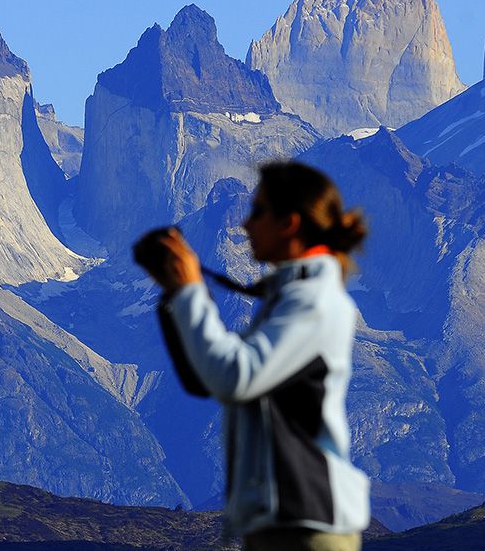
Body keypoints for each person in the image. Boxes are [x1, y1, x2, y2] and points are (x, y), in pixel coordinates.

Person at [135, 161, 370, 551]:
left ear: (290, 223)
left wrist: (191, 291)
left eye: (257, 211)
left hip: (305, 522)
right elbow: (215, 381)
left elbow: (236, 377)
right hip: (290, 519)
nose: (245, 225)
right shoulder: (294, 296)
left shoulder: (312, 301)